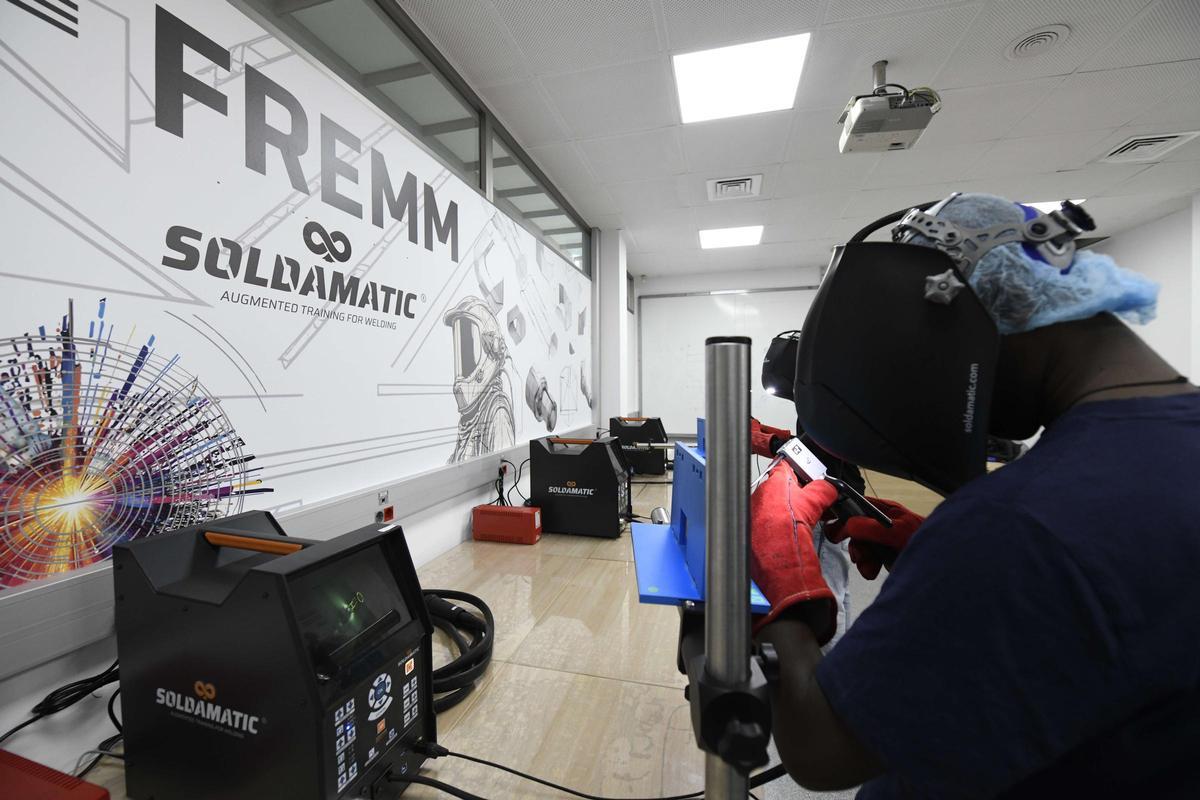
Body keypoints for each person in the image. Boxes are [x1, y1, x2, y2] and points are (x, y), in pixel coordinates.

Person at [750, 193, 1199, 797]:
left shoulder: (1024, 523)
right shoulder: (1156, 453)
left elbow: (822, 752)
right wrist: (938, 555)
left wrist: (787, 584)